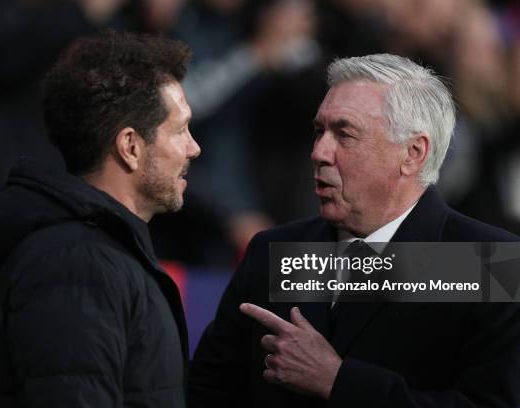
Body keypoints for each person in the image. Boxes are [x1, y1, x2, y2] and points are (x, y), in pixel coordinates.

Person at [188, 54, 520, 408]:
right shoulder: (274, 251)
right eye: (319, 132)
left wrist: (339, 381)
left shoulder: (486, 263)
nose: (319, 152)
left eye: (344, 134)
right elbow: (210, 390)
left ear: (413, 153)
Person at [0, 30, 200, 406]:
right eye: (180, 130)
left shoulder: (95, 256)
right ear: (130, 147)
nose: (194, 147)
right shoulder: (77, 266)